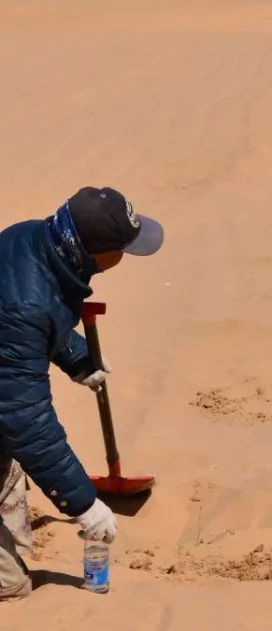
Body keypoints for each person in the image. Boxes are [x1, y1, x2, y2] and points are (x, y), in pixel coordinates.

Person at [0, 187, 165, 602]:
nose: (125, 257)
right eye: (123, 248)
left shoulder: (34, 238)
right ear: (93, 253)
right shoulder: (27, 303)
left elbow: (27, 321)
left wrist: (76, 357)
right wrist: (83, 504)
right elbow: (26, 421)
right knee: (11, 587)